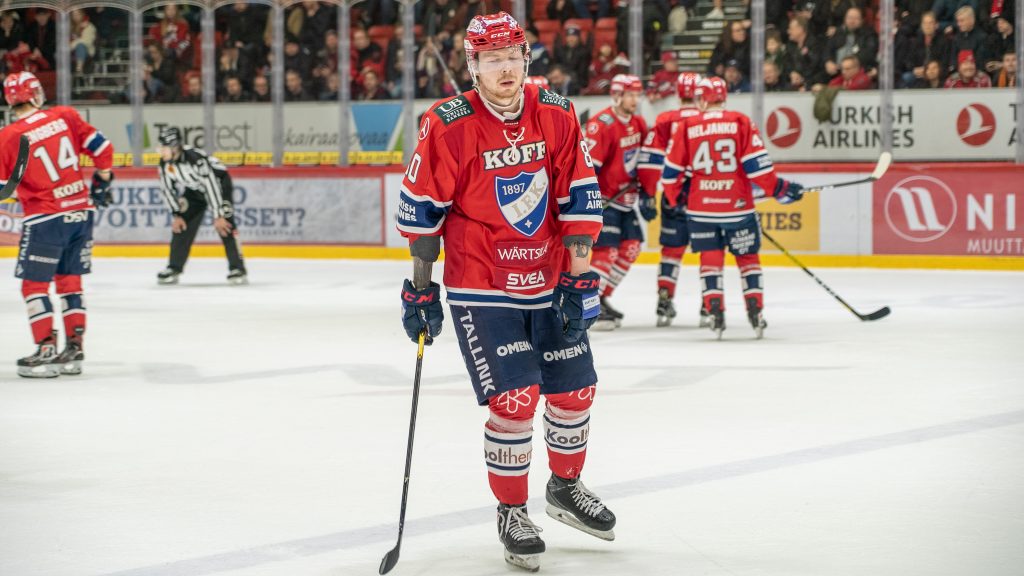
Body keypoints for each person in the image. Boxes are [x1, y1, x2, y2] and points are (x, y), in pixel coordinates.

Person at [395, 12, 615, 572]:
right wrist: (421, 290)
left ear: (526, 58)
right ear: (473, 66)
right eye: (492, 60)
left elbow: (579, 197)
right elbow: (423, 214)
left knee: (575, 390)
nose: (505, 69)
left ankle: (565, 488)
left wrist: (580, 277)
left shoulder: (557, 112)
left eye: (512, 57)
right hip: (482, 283)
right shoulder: (448, 124)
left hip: (549, 277)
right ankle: (512, 511)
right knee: (515, 399)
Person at [661, 77, 806, 339]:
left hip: (701, 210)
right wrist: (781, 189)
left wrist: (676, 199)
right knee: (747, 259)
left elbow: (670, 175)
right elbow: (758, 169)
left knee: (710, 261)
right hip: (738, 208)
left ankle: (715, 311)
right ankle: (755, 311)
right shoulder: (740, 121)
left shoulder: (687, 126)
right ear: (724, 98)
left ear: (702, 100)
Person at [0, 71, 114, 377]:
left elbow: (3, 190)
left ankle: (46, 349)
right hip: (81, 212)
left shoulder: (8, 136)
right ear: (36, 94)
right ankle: (74, 350)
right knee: (70, 282)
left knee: (33, 286)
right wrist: (103, 179)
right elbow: (103, 149)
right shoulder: (65, 115)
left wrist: (22, 191)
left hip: (46, 218)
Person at [583, 74, 652, 330]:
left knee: (632, 248)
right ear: (617, 96)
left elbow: (644, 162)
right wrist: (587, 201)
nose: (635, 100)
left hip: (625, 201)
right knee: (607, 252)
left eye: (637, 95)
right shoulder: (601, 124)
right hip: (604, 200)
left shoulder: (638, 123)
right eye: (630, 95)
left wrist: (647, 193)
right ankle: (589, 304)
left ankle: (601, 297)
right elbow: (589, 168)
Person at [637, 71, 705, 328]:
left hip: (673, 194)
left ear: (678, 95)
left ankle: (665, 297)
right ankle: (710, 303)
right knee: (709, 249)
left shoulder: (665, 119)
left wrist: (647, 193)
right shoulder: (708, 119)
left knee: (672, 251)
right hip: (705, 194)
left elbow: (650, 160)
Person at [154, 127, 247, 285]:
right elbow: (167, 190)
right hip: (195, 190)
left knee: (225, 224)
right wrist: (177, 215)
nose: (160, 152)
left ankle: (237, 268)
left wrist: (218, 215)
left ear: (174, 147)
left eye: (164, 148)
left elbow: (211, 185)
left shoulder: (195, 158)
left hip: (219, 186)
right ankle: (174, 267)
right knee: (181, 224)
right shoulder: (164, 164)